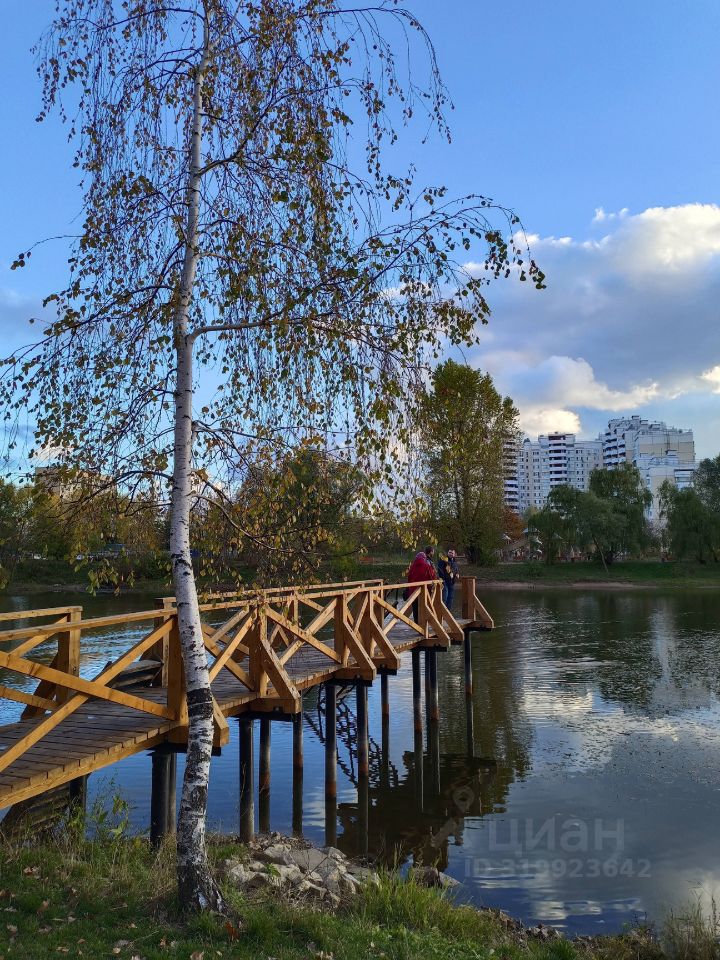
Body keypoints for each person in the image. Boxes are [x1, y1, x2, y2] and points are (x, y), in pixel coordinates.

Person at [406, 546, 437, 622]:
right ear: (424, 558)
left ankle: (416, 623)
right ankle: (423, 623)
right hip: (424, 591)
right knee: (424, 606)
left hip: (413, 591)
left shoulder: (412, 567)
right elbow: (432, 577)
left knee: (415, 608)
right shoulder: (427, 566)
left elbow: (409, 578)